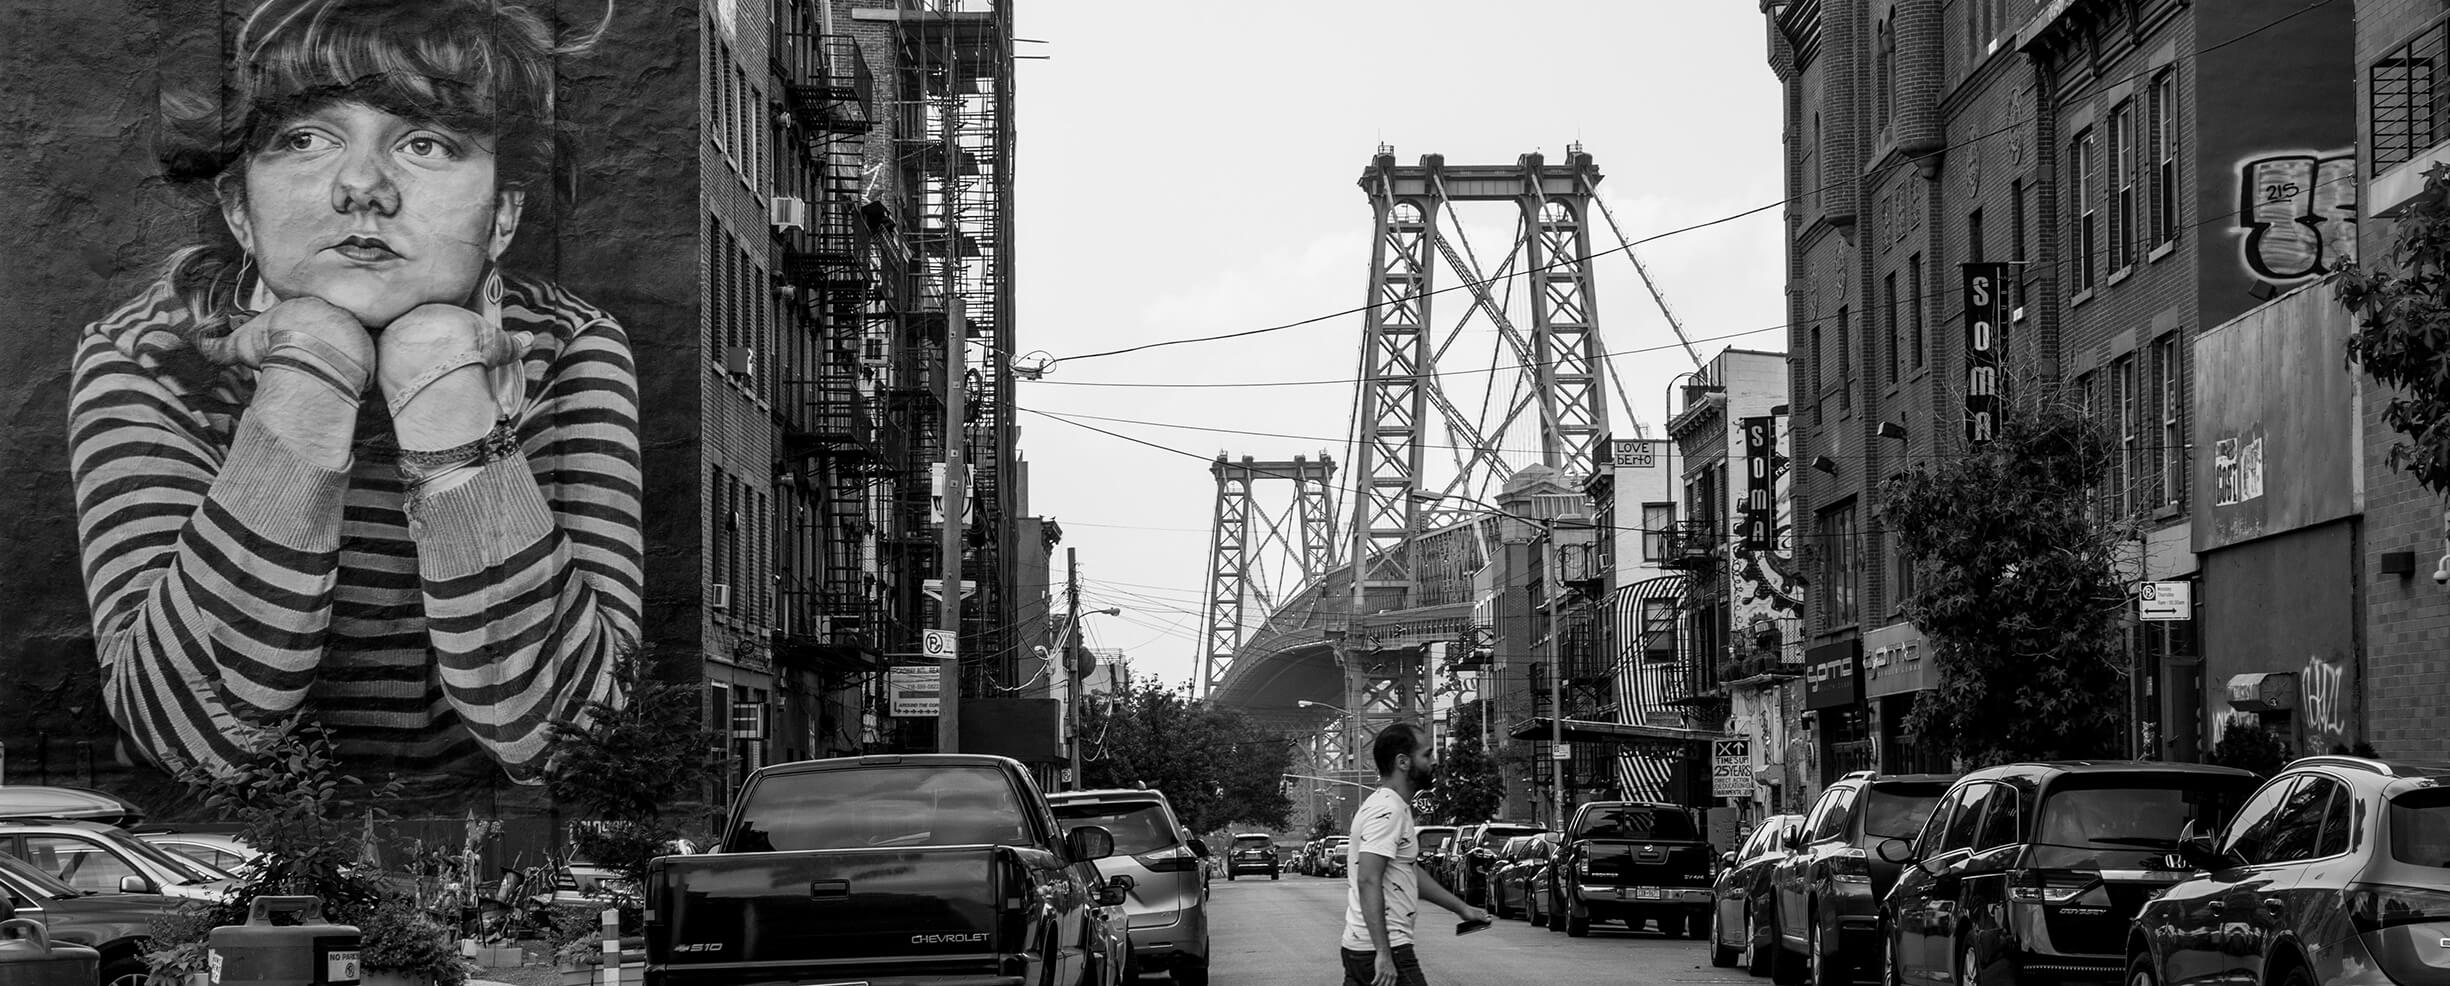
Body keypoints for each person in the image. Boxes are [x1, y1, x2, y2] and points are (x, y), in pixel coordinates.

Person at [68, 0, 638, 791]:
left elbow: (572, 739)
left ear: (502, 215)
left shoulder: (568, 347)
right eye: (306, 139)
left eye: (426, 142)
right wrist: (312, 368)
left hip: (485, 847)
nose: (362, 186)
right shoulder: (148, 356)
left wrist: (441, 389)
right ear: (239, 208)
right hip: (219, 848)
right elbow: (191, 738)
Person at [1341, 722, 1488, 986]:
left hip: (1364, 946)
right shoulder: (1387, 811)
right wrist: (1383, 953)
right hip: (1386, 947)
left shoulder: (1389, 806)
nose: (1434, 761)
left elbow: (1408, 872)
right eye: (1427, 754)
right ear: (1403, 762)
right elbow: (1368, 879)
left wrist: (1461, 908)